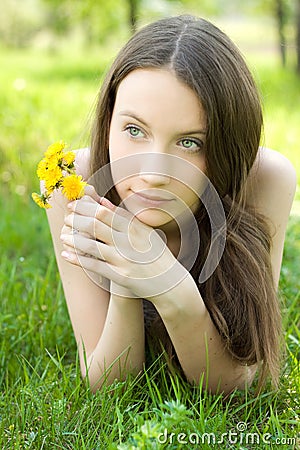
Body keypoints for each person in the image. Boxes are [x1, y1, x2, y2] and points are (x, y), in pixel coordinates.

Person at [46, 15, 297, 394]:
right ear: (109, 117)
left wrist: (173, 288)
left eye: (189, 142)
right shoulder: (75, 180)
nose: (153, 173)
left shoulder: (264, 179)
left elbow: (246, 385)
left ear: (226, 145)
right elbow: (107, 384)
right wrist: (126, 275)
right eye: (134, 130)